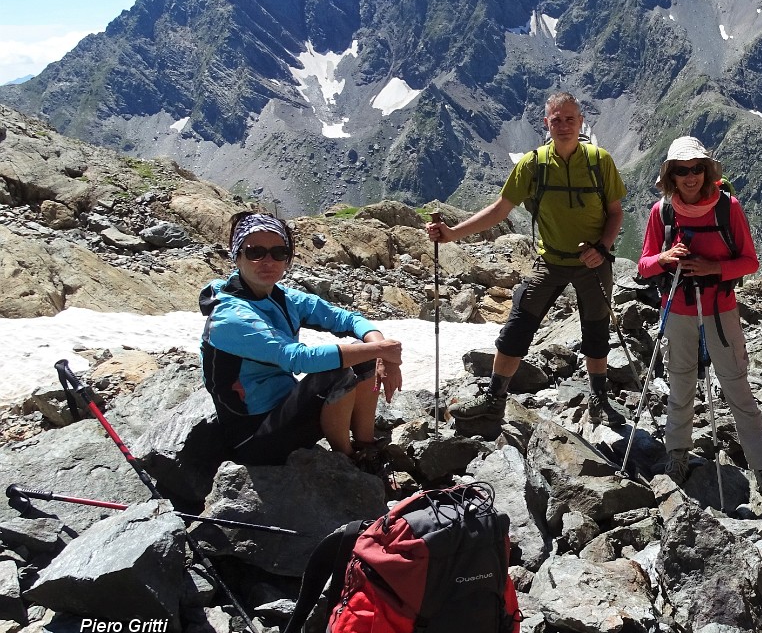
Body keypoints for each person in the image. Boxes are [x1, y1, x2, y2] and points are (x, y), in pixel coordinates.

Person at [427, 92, 625, 422]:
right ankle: (494, 399)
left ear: (581, 122)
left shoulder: (599, 161)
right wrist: (451, 235)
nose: (563, 126)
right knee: (517, 326)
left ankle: (598, 398)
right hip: (551, 261)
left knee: (596, 330)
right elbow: (499, 210)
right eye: (556, 120)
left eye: (570, 119)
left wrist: (602, 248)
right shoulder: (533, 164)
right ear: (545, 123)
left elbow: (616, 213)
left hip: (594, 262)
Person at [637, 137, 762, 507]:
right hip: (679, 311)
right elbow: (643, 266)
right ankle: (678, 455)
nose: (690, 177)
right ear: (671, 175)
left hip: (720, 312)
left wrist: (713, 268)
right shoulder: (662, 212)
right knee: (681, 386)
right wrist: (667, 256)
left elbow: (750, 262)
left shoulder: (727, 207)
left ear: (707, 171)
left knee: (737, 389)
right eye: (682, 170)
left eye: (696, 169)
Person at [200, 211, 404, 466]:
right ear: (237, 255)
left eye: (279, 253)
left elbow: (347, 319)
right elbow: (297, 358)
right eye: (255, 252)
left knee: (363, 353)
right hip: (252, 438)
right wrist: (383, 350)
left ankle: (366, 446)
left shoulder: (281, 297)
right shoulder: (230, 316)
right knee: (337, 372)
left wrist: (381, 351)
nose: (268, 261)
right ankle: (350, 461)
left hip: (282, 412)